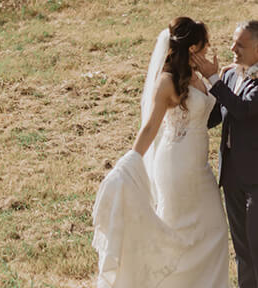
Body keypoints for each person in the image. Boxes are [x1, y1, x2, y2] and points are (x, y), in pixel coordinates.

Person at [92, 17, 230, 287]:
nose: (208, 47)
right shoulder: (166, 81)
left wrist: (216, 76)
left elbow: (213, 113)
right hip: (177, 165)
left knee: (213, 230)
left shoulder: (194, 74)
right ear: (191, 47)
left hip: (199, 165)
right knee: (179, 234)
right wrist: (130, 161)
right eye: (204, 44)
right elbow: (150, 127)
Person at [193, 20, 258, 288]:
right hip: (232, 172)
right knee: (242, 247)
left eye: (240, 44)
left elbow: (244, 109)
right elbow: (216, 116)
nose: (233, 48)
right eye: (233, 42)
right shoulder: (231, 75)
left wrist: (214, 79)